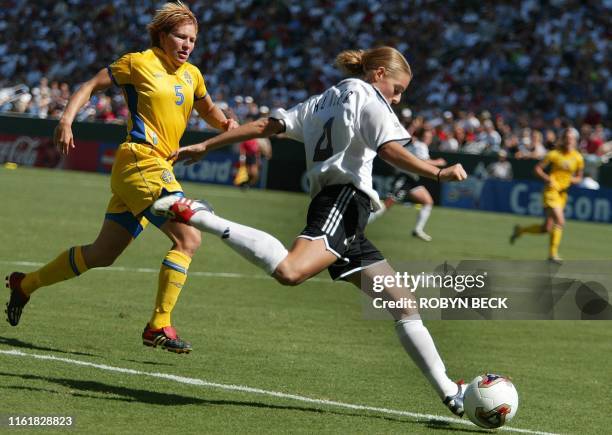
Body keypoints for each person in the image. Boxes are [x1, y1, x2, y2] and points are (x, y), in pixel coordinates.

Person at [153, 47, 469, 416]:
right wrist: (437, 173)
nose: (397, 98)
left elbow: (265, 126)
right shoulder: (369, 97)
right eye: (397, 89)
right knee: (290, 271)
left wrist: (207, 144)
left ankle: (451, 392)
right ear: (379, 74)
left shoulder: (324, 100)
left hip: (341, 208)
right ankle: (204, 216)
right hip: (343, 203)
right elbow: (388, 150)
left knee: (402, 304)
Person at [4, 2, 237, 354]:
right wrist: (67, 119)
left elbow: (208, 109)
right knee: (188, 238)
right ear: (163, 35)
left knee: (102, 253)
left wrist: (227, 125)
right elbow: (90, 85)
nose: (188, 45)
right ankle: (158, 324)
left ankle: (26, 284)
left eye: (193, 39)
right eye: (181, 37)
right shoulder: (139, 62)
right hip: (140, 161)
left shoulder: (193, 75)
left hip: (154, 170)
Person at [510, 127, 584, 262]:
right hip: (551, 191)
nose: (568, 141)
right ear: (563, 139)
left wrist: (571, 180)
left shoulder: (578, 158)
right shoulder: (554, 154)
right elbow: (537, 169)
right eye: (566, 138)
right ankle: (552, 255)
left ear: (575, 141)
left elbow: (579, 177)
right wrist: (547, 179)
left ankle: (520, 230)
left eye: (571, 139)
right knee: (560, 221)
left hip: (563, 194)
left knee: (547, 228)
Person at [368, 127, 447, 242]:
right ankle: (361, 224)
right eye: (427, 136)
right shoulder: (420, 146)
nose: (429, 138)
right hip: (404, 179)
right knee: (387, 204)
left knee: (428, 202)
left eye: (430, 136)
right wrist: (438, 162)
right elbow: (423, 162)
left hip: (411, 180)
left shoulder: (416, 145)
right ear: (422, 136)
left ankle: (418, 230)